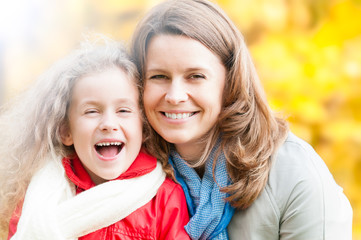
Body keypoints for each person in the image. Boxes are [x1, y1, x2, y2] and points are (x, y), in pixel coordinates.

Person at [130, 0, 353, 239]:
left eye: (195, 76)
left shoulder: (295, 174)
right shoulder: (124, 170)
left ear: (231, 81)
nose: (174, 96)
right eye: (159, 76)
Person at [0, 37, 190, 240]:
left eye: (123, 110)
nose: (109, 123)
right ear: (66, 131)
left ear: (143, 128)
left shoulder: (164, 199)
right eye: (91, 111)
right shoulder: (40, 197)